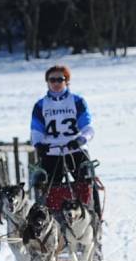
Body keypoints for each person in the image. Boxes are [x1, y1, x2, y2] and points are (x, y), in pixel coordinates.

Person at [30, 65, 99, 214]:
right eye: (52, 79)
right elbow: (36, 130)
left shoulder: (77, 101)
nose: (55, 83)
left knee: (88, 184)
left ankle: (94, 218)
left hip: (75, 149)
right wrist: (39, 145)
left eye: (59, 79)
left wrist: (81, 140)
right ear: (47, 82)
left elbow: (88, 128)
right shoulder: (40, 105)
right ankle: (50, 219)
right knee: (48, 190)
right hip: (52, 152)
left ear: (66, 81)